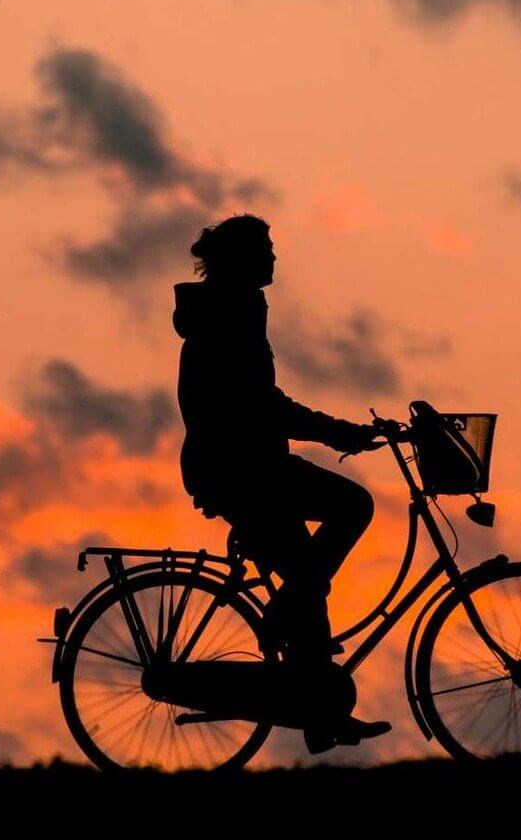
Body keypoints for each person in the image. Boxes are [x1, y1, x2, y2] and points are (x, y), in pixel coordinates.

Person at [171, 212, 392, 752]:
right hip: (240, 470)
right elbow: (263, 406)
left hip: (247, 467)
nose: (275, 257)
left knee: (306, 577)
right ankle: (284, 618)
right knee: (351, 507)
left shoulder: (235, 310)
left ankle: (322, 715)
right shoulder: (227, 317)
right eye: (266, 248)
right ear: (244, 260)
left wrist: (336, 433)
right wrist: (338, 433)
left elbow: (263, 406)